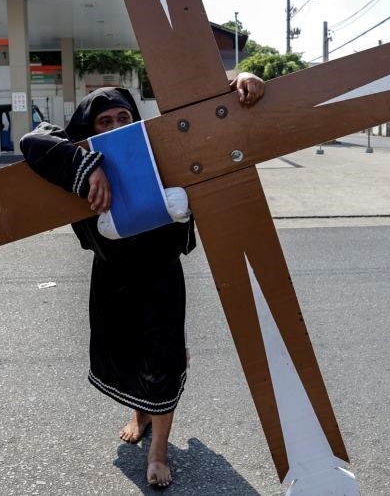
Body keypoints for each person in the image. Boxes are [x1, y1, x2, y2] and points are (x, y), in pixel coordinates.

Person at [20, 73, 265, 488]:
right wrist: (86, 165)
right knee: (126, 355)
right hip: (112, 281)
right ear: (89, 129)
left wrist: (238, 80)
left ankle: (158, 451)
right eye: (104, 122)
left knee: (163, 363)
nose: (117, 128)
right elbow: (34, 140)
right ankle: (140, 412)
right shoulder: (81, 157)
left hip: (161, 278)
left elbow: (209, 118)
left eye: (124, 117)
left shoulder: (159, 151)